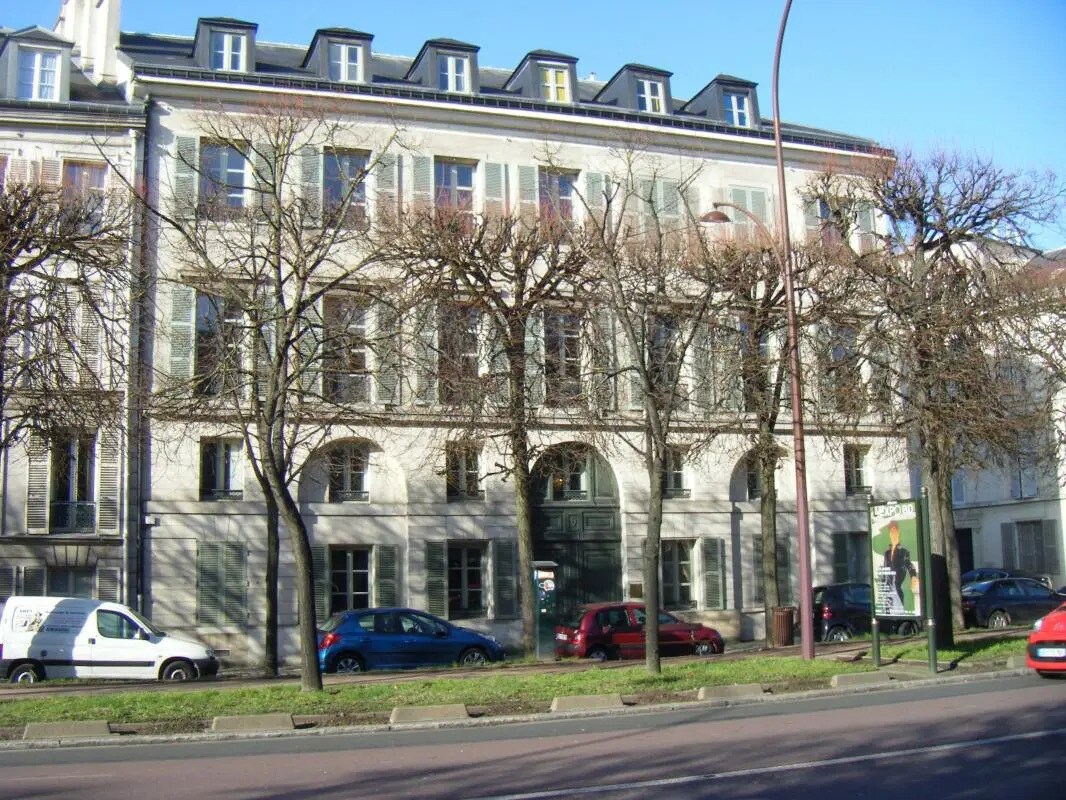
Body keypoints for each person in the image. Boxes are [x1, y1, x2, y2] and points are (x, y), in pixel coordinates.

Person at [883, 520, 919, 613]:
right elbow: (885, 568)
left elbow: (908, 564)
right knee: (888, 612)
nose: (893, 533)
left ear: (898, 532)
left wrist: (913, 576)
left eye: (895, 530)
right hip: (888, 589)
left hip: (897, 586)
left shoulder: (903, 551)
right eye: (891, 531)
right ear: (889, 533)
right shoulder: (887, 553)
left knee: (899, 609)